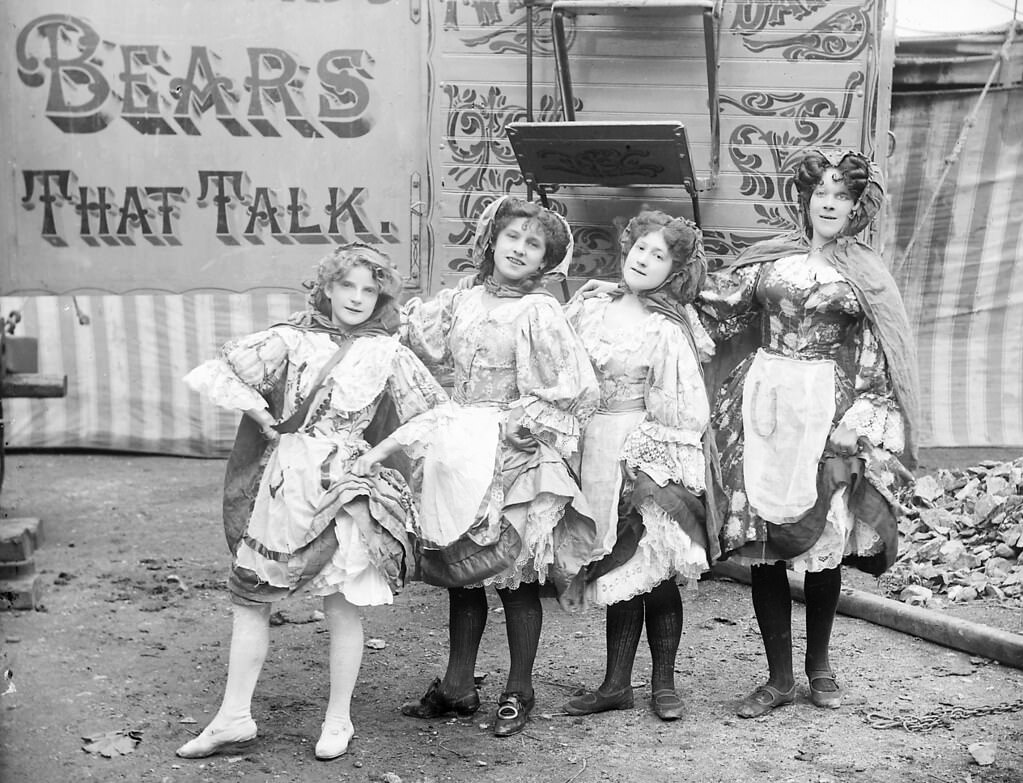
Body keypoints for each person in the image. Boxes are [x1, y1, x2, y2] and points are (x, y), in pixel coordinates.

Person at [177, 244, 448, 761]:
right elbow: (224, 369)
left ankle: (338, 720)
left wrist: (381, 453)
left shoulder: (387, 352)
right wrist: (262, 416)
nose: (358, 298)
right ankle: (234, 716)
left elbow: (434, 411)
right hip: (283, 483)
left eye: (370, 290)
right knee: (252, 599)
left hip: (345, 483)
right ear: (327, 287)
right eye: (348, 285)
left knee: (342, 607)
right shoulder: (291, 337)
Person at [696, 149, 919, 717]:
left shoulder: (864, 273)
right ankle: (777, 677)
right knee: (765, 543)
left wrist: (859, 417)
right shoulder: (771, 261)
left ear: (855, 208)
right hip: (763, 401)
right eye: (821, 191)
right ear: (805, 198)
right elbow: (716, 307)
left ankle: (819, 668)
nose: (829, 202)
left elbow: (878, 348)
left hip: (826, 406)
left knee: (824, 539)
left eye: (841, 195)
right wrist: (655, 295)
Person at [397, 195, 603, 737]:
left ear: (545, 261)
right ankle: (458, 686)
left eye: (533, 245)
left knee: (512, 577)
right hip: (460, 445)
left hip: (512, 451)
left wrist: (522, 421)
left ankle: (519, 689)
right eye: (513, 237)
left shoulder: (538, 311)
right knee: (462, 574)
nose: (520, 249)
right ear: (492, 240)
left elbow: (573, 386)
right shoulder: (461, 301)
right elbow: (417, 346)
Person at [561, 211, 723, 722]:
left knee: (654, 568)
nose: (644, 259)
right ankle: (615, 684)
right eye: (640, 248)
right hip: (593, 445)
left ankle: (663, 684)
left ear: (672, 272)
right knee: (616, 567)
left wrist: (650, 459)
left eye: (659, 256)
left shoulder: (666, 327)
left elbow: (682, 403)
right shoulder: (589, 307)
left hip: (644, 446)